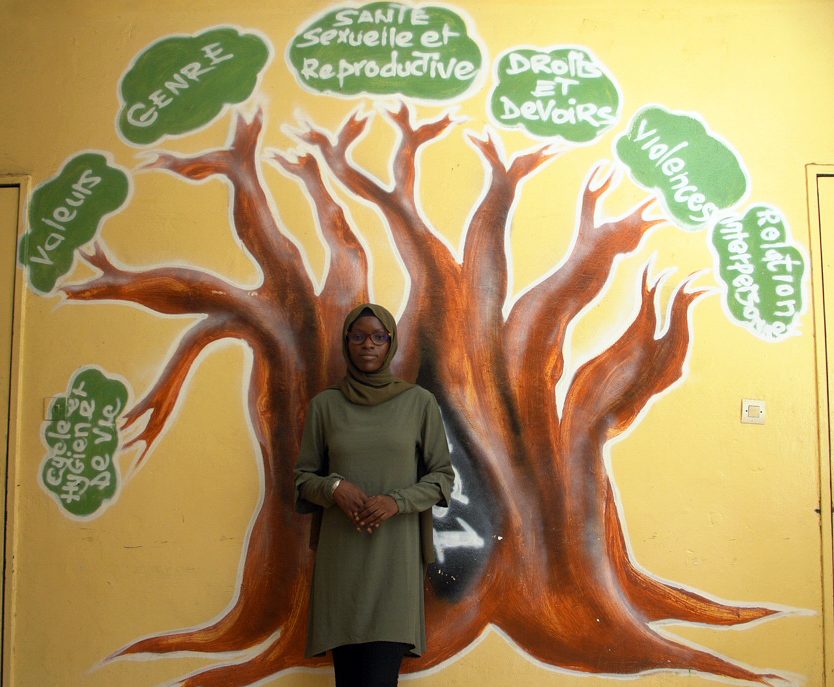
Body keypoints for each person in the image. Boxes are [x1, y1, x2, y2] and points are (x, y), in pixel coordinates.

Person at [294, 303, 455, 687]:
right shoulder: (325, 406)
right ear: (346, 343)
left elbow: (441, 478)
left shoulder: (419, 403)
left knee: (380, 678)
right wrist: (335, 487)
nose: (368, 345)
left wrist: (395, 501)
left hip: (395, 562)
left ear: (390, 344)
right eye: (358, 336)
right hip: (342, 564)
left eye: (378, 337)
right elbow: (303, 480)